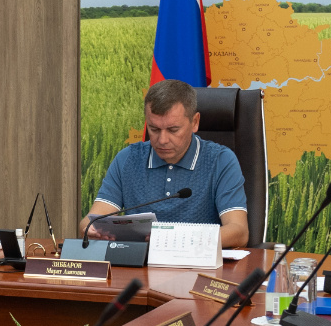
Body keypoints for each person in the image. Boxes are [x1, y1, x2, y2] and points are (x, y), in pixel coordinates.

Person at [79, 79, 248, 249]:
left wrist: (171, 239)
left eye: (173, 130)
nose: (162, 140)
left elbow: (238, 232)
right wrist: (90, 228)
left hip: (197, 268)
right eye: (154, 129)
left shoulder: (221, 160)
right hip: (137, 268)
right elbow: (93, 218)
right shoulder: (128, 159)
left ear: (195, 122)